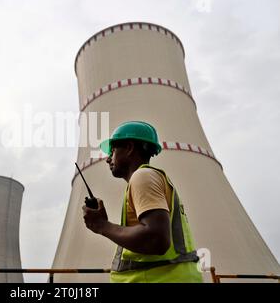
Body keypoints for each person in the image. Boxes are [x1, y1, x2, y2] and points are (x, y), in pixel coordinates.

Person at [82, 121, 203, 283]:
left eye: (112, 150)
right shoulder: (150, 179)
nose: (108, 158)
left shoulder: (143, 177)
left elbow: (156, 239)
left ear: (130, 148)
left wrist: (102, 225)